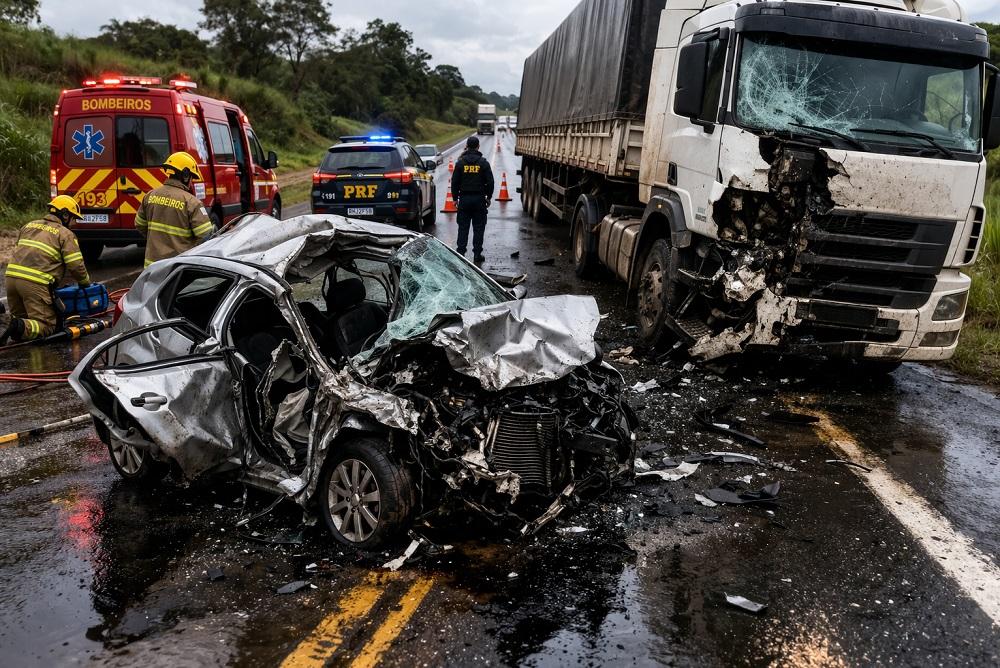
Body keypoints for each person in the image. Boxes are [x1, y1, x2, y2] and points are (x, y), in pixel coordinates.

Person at [1, 196, 91, 344]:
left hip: (11, 280)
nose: (74, 223)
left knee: (23, 325)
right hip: (35, 285)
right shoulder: (65, 234)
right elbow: (76, 266)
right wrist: (85, 283)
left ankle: (9, 324)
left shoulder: (28, 226)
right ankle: (11, 324)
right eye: (74, 218)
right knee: (47, 326)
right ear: (65, 215)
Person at [136, 151, 214, 268]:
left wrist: (156, 240)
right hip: (177, 269)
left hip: (151, 268)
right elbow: (206, 237)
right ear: (186, 175)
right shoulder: (192, 203)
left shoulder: (150, 195)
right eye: (191, 177)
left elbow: (139, 224)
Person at [451, 136, 494, 263]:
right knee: (479, 227)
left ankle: (461, 253)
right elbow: (490, 182)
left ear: (467, 146)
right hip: (479, 200)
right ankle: (477, 254)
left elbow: (455, 182)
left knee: (463, 227)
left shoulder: (460, 163)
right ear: (478, 146)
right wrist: (488, 197)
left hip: (464, 199)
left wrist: (454, 199)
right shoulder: (483, 163)